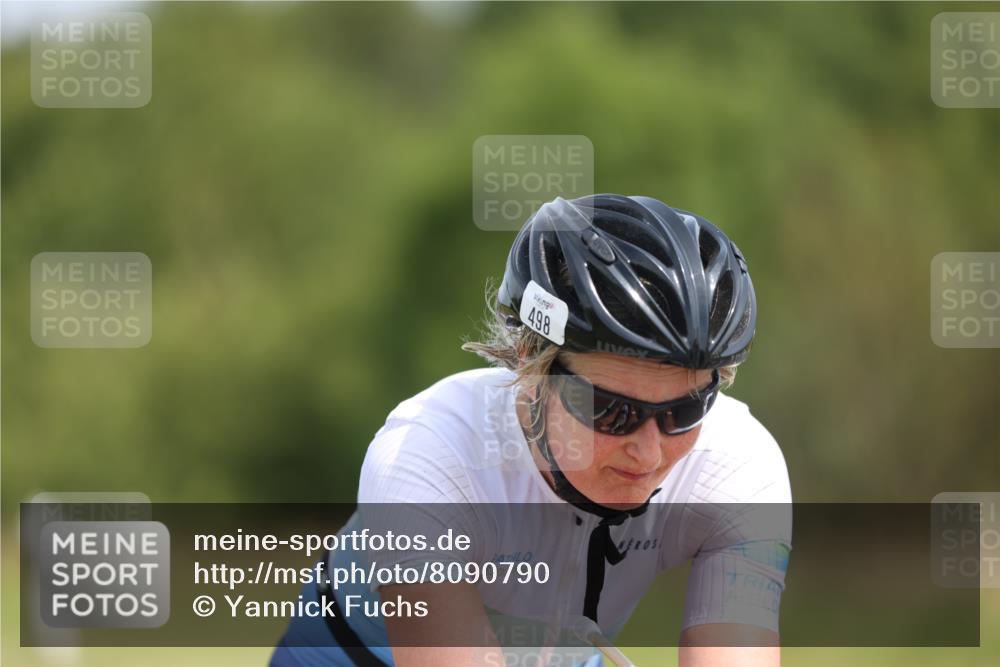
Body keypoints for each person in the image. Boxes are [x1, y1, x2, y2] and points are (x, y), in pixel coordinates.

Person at [271, 194, 792, 667]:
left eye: (685, 410)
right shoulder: (430, 452)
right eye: (610, 410)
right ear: (531, 364)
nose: (649, 451)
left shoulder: (738, 466)